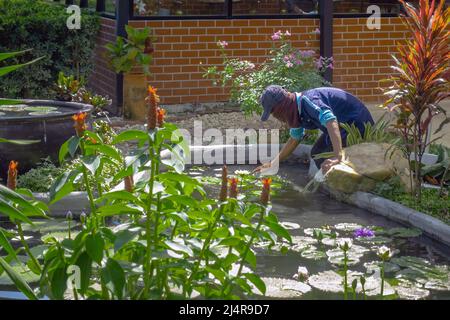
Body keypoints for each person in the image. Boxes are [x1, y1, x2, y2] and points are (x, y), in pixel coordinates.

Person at [253, 85, 374, 174]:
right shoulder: (295, 110)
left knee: (325, 155)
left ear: (281, 106)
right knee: (317, 152)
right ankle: (326, 181)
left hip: (356, 126)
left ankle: (342, 181)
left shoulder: (309, 101)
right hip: (342, 128)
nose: (275, 116)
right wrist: (273, 164)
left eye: (273, 112)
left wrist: (338, 156)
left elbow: (331, 121)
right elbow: (295, 138)